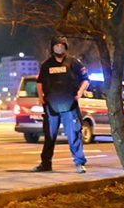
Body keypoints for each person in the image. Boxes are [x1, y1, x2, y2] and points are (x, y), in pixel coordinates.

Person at [33, 35, 90, 174]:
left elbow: (86, 80)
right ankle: (46, 163)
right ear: (52, 47)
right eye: (56, 45)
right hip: (51, 106)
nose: (59, 47)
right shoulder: (46, 64)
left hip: (70, 105)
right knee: (49, 136)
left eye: (62, 45)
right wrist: (41, 97)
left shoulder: (73, 62)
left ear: (65, 47)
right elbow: (39, 82)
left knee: (74, 134)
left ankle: (79, 163)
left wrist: (80, 93)